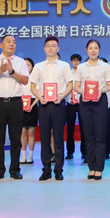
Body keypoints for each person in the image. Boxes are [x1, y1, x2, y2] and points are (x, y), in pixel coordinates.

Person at [0, 35, 29, 181]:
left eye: (14, 42)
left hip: (15, 103)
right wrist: (0, 70)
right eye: (8, 42)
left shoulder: (20, 62)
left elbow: (25, 80)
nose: (11, 44)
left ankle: (15, 170)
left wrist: (12, 71)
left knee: (16, 138)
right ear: (1, 45)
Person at [30, 36, 73, 181]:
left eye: (53, 45)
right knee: (44, 138)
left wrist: (61, 96)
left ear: (58, 48)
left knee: (59, 137)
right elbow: (32, 86)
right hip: (43, 105)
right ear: (44, 48)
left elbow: (70, 85)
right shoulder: (38, 66)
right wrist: (39, 96)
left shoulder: (64, 66)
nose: (50, 48)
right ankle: (46, 169)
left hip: (58, 104)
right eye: (48, 45)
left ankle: (59, 169)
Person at [74, 39, 110, 180]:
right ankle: (91, 167)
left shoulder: (105, 66)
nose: (93, 50)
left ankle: (99, 168)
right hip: (85, 102)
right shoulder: (81, 67)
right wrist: (84, 92)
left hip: (100, 101)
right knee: (89, 135)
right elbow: (76, 86)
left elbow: (109, 85)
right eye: (90, 48)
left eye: (96, 48)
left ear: (99, 50)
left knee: (100, 135)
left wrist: (100, 91)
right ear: (86, 50)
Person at [66, 53, 85, 160]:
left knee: (84, 128)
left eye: (77, 60)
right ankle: (70, 152)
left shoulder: (83, 73)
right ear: (71, 61)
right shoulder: (68, 73)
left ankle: (85, 152)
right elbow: (66, 88)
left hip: (81, 103)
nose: (76, 62)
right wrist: (69, 100)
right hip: (70, 104)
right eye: (74, 60)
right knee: (70, 129)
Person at [20, 58, 39, 164]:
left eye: (28, 65)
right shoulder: (19, 78)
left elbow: (39, 93)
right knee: (22, 131)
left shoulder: (35, 79)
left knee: (31, 131)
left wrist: (32, 105)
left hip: (32, 104)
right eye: (25, 65)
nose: (27, 67)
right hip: (21, 105)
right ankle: (23, 156)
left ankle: (31, 156)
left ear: (32, 66)